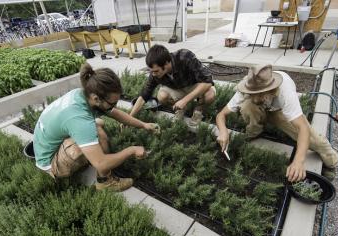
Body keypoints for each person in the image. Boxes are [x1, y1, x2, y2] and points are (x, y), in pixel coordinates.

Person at [33, 63, 160, 191]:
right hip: (51, 163)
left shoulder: (82, 94)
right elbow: (101, 164)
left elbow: (116, 114)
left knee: (98, 123)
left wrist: (144, 125)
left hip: (47, 145)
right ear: (96, 98)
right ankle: (105, 182)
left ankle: (90, 154)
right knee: (98, 134)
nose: (114, 106)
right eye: (112, 103)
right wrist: (131, 150)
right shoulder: (80, 119)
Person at [216, 64, 338, 182]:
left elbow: (303, 128)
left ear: (271, 90)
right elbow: (221, 115)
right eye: (253, 94)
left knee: (315, 140)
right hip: (261, 110)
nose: (256, 98)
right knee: (248, 106)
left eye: (260, 95)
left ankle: (331, 163)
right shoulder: (247, 88)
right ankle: (255, 132)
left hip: (279, 111)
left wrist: (298, 161)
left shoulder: (285, 91)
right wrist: (223, 131)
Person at [129, 44, 216, 127]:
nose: (153, 74)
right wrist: (129, 119)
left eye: (156, 71)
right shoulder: (154, 73)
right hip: (177, 88)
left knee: (210, 95)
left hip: (193, 85)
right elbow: (144, 95)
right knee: (161, 96)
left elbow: (208, 81)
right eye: (151, 71)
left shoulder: (185, 57)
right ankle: (180, 109)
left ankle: (198, 109)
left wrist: (185, 100)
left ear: (166, 63)